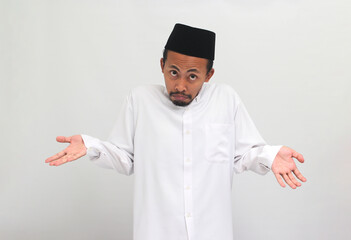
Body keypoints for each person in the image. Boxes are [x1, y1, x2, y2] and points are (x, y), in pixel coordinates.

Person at [45, 23, 306, 240]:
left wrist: (271, 156)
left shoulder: (226, 99)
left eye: (192, 76)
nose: (179, 84)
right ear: (162, 65)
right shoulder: (140, 100)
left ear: (208, 74)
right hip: (156, 232)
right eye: (173, 72)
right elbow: (125, 159)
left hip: (211, 232)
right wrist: (92, 145)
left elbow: (243, 155)